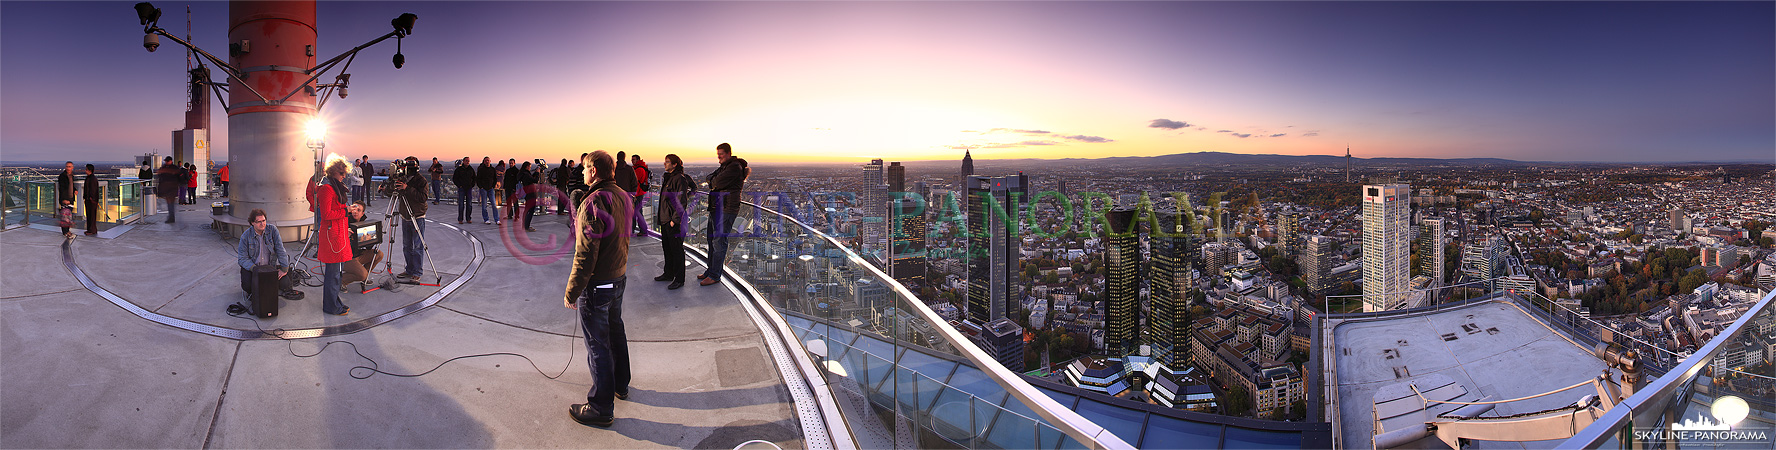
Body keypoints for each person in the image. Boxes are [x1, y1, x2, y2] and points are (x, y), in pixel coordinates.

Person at [563, 150, 632, 428]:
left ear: (593, 170)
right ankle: (620, 384)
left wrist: (572, 290)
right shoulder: (623, 196)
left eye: (584, 169)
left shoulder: (594, 201)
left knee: (597, 344)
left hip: (598, 284)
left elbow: (586, 252)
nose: (581, 173)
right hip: (618, 278)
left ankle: (601, 407)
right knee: (616, 331)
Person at [308, 156, 354, 315]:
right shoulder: (327, 189)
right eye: (341, 173)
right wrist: (345, 211)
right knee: (333, 274)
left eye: (344, 174)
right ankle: (331, 306)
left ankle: (335, 302)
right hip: (332, 236)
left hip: (337, 234)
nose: (343, 176)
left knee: (337, 273)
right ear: (333, 172)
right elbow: (326, 214)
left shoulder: (333, 186)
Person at [699, 143, 747, 286]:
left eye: (721, 154)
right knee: (711, 240)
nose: (718, 157)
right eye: (718, 154)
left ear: (728, 153)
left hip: (726, 208)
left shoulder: (734, 167)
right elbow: (710, 178)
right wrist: (713, 181)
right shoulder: (724, 166)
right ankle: (711, 270)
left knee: (719, 242)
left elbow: (716, 181)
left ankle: (715, 275)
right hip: (717, 207)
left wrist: (713, 182)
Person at [236, 208, 303, 300]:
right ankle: (254, 291)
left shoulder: (272, 230)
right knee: (247, 286)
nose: (262, 224)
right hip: (254, 268)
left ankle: (268, 287)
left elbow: (280, 249)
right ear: (252, 223)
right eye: (258, 221)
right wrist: (254, 269)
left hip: (269, 267)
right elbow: (242, 259)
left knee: (286, 283)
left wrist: (284, 268)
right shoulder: (245, 236)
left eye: (263, 220)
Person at [654, 154, 696, 290]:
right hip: (666, 219)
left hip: (673, 221)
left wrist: (675, 220)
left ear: (675, 164)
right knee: (667, 248)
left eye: (667, 162)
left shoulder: (679, 179)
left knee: (677, 250)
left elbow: (681, 201)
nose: (664, 164)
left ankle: (679, 279)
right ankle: (668, 273)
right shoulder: (669, 177)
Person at [386, 157, 430, 281]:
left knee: (417, 246)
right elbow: (391, 193)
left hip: (417, 215)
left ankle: (417, 271)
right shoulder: (402, 178)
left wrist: (407, 188)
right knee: (407, 246)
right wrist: (390, 187)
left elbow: (423, 197)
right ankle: (409, 270)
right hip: (405, 215)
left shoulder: (421, 181)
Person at [341, 202, 386, 287]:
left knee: (379, 254)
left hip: (358, 254)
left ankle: (362, 276)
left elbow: (368, 247)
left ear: (363, 213)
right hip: (347, 257)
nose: (355, 212)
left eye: (359, 210)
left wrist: (371, 240)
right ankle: (342, 281)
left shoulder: (364, 223)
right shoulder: (344, 221)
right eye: (354, 209)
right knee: (362, 274)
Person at [154, 157, 182, 224]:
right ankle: (171, 217)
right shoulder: (173, 168)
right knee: (170, 203)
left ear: (170, 161)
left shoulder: (167, 168)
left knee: (170, 203)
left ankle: (171, 217)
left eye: (167, 161)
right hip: (170, 188)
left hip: (170, 188)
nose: (166, 162)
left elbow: (160, 176)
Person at [631, 154, 651, 235]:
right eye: (632, 159)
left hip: (638, 194)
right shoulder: (639, 168)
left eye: (634, 159)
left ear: (638, 160)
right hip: (638, 193)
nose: (632, 161)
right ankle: (638, 229)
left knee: (637, 212)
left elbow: (634, 181)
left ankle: (642, 230)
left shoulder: (639, 169)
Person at [56, 161, 77, 238]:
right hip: (65, 200)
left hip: (71, 199)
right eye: (67, 166)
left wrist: (75, 190)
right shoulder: (62, 176)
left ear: (72, 167)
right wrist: (64, 200)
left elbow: (71, 185)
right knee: (65, 217)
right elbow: (62, 189)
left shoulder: (72, 176)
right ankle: (65, 232)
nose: (68, 168)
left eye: (69, 166)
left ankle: (67, 231)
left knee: (68, 217)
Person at [452, 157, 477, 224]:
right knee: (461, 204)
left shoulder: (471, 169)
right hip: (461, 189)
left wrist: (472, 185)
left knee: (469, 204)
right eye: (466, 161)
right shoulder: (459, 169)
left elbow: (474, 178)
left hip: (469, 188)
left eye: (468, 161)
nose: (467, 162)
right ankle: (460, 219)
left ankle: (468, 218)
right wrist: (459, 185)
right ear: (463, 161)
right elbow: (455, 178)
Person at [476, 157, 498, 224]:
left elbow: (495, 178)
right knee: (484, 205)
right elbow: (478, 179)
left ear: (490, 161)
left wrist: (493, 186)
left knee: (494, 204)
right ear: (484, 162)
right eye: (486, 161)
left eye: (488, 160)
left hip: (490, 188)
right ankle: (486, 219)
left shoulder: (492, 169)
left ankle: (497, 219)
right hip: (483, 189)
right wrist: (481, 187)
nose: (487, 162)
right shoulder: (481, 170)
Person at [82, 164, 101, 236]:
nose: (85, 171)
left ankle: (92, 230)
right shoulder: (89, 178)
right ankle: (90, 229)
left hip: (91, 201)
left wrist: (91, 198)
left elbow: (92, 190)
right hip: (88, 199)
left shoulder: (92, 179)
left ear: (90, 170)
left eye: (86, 169)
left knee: (92, 215)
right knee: (89, 215)